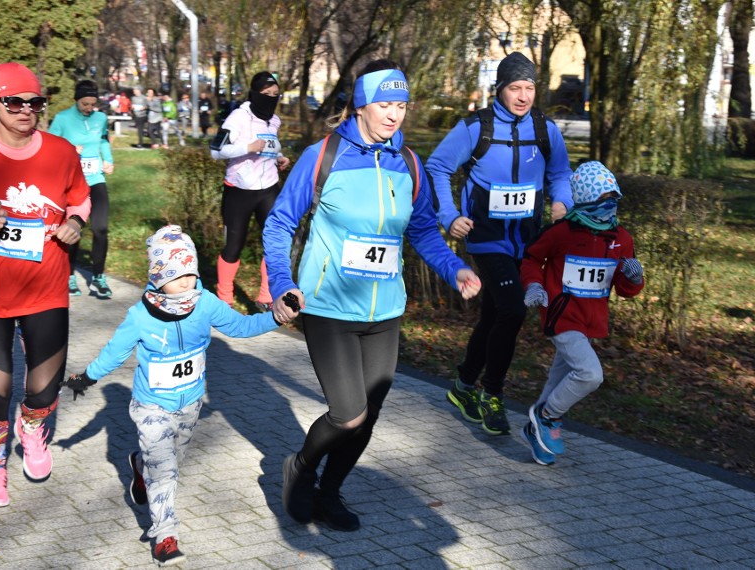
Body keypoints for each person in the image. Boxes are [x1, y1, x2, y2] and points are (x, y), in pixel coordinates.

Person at [263, 60, 481, 531]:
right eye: (385, 103)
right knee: (348, 413)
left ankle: (330, 492)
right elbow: (280, 222)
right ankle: (299, 468)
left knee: (370, 414)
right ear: (360, 105)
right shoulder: (323, 156)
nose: (394, 114)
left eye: (401, 105)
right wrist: (282, 283)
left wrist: (455, 269)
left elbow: (422, 230)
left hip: (385, 309)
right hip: (328, 305)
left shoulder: (408, 163)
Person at [62, 225, 280, 565]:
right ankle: (165, 535)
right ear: (157, 275)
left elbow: (241, 327)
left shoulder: (205, 303)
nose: (186, 282)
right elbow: (114, 353)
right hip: (151, 406)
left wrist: (277, 317)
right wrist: (85, 379)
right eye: (176, 275)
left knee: (168, 460)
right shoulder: (139, 317)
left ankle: (138, 463)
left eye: (191, 273)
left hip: (190, 403)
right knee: (165, 473)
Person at [425, 52, 573, 436]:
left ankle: (462, 385)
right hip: (487, 238)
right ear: (500, 89)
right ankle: (493, 393)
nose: (523, 96)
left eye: (529, 88)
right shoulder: (476, 127)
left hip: (527, 240)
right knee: (512, 310)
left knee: (494, 315)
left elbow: (560, 172)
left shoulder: (545, 129)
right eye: (515, 88)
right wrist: (449, 215)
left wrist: (562, 201)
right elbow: (437, 167)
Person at [0, 62, 91, 508]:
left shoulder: (62, 151)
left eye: (34, 102)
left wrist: (75, 222)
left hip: (46, 289)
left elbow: (81, 197)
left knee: (43, 387)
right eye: (14, 101)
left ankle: (31, 431)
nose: (26, 109)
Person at [519, 161, 644, 464]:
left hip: (592, 321)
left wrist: (634, 278)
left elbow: (625, 289)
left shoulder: (621, 239)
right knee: (590, 374)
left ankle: (536, 433)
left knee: (558, 379)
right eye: (603, 201)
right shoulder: (561, 233)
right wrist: (534, 286)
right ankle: (547, 417)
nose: (610, 207)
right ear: (586, 201)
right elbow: (532, 258)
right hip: (562, 316)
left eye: (614, 200)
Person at [211, 72, 290, 311]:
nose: (271, 99)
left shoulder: (274, 120)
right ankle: (224, 297)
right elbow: (216, 151)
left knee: (274, 243)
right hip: (239, 190)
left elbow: (269, 146)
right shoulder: (238, 118)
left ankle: (266, 297)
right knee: (234, 245)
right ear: (255, 94)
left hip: (268, 188)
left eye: (275, 95)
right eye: (266, 95)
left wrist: (279, 157)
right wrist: (248, 147)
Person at [48, 79, 115, 299]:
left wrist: (108, 159)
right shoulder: (62, 119)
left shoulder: (101, 118)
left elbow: (104, 140)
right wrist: (68, 149)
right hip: (71, 183)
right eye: (85, 103)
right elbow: (49, 144)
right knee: (73, 229)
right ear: (77, 100)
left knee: (101, 229)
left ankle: (98, 276)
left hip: (95, 179)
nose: (89, 108)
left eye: (92, 104)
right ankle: (68, 276)